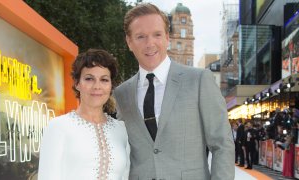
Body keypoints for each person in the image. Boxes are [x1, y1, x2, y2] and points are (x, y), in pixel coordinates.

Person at [113, 3, 235, 179]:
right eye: (140, 37)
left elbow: (222, 144)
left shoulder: (199, 80)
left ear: (167, 38)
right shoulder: (122, 93)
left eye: (157, 34)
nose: (150, 43)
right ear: (129, 42)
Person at [38, 49, 130, 180]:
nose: (97, 86)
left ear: (111, 86)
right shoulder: (59, 126)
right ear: (77, 83)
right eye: (89, 79)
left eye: (104, 80)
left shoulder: (121, 130)